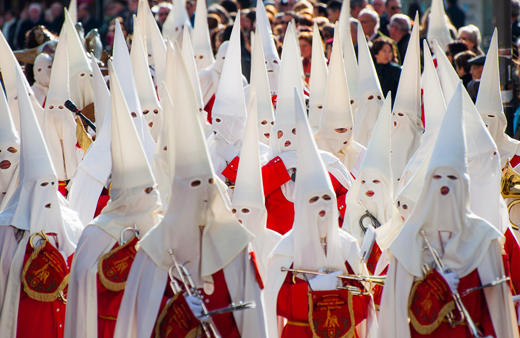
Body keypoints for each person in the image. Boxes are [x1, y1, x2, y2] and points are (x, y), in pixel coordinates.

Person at [112, 48, 267, 338]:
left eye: (207, 186)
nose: (202, 197)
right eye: (193, 187)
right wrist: (175, 308)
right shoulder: (153, 248)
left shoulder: (237, 245)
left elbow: (253, 318)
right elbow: (138, 317)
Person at [378, 84, 518, 338]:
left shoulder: (484, 237)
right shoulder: (408, 240)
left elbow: (496, 300)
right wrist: (435, 286)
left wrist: (490, 333)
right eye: (438, 178)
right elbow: (393, 309)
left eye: (452, 178)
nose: (445, 185)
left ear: (464, 186)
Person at [265, 88, 377, 338]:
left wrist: (340, 292)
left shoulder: (348, 245)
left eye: (326, 198)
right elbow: (275, 302)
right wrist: (312, 292)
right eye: (314, 199)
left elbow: (365, 303)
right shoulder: (285, 248)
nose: (322, 205)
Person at [372, 37, 401, 105]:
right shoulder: (371, 70)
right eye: (384, 51)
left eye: (390, 51)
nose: (387, 54)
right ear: (376, 53)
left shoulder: (397, 71)